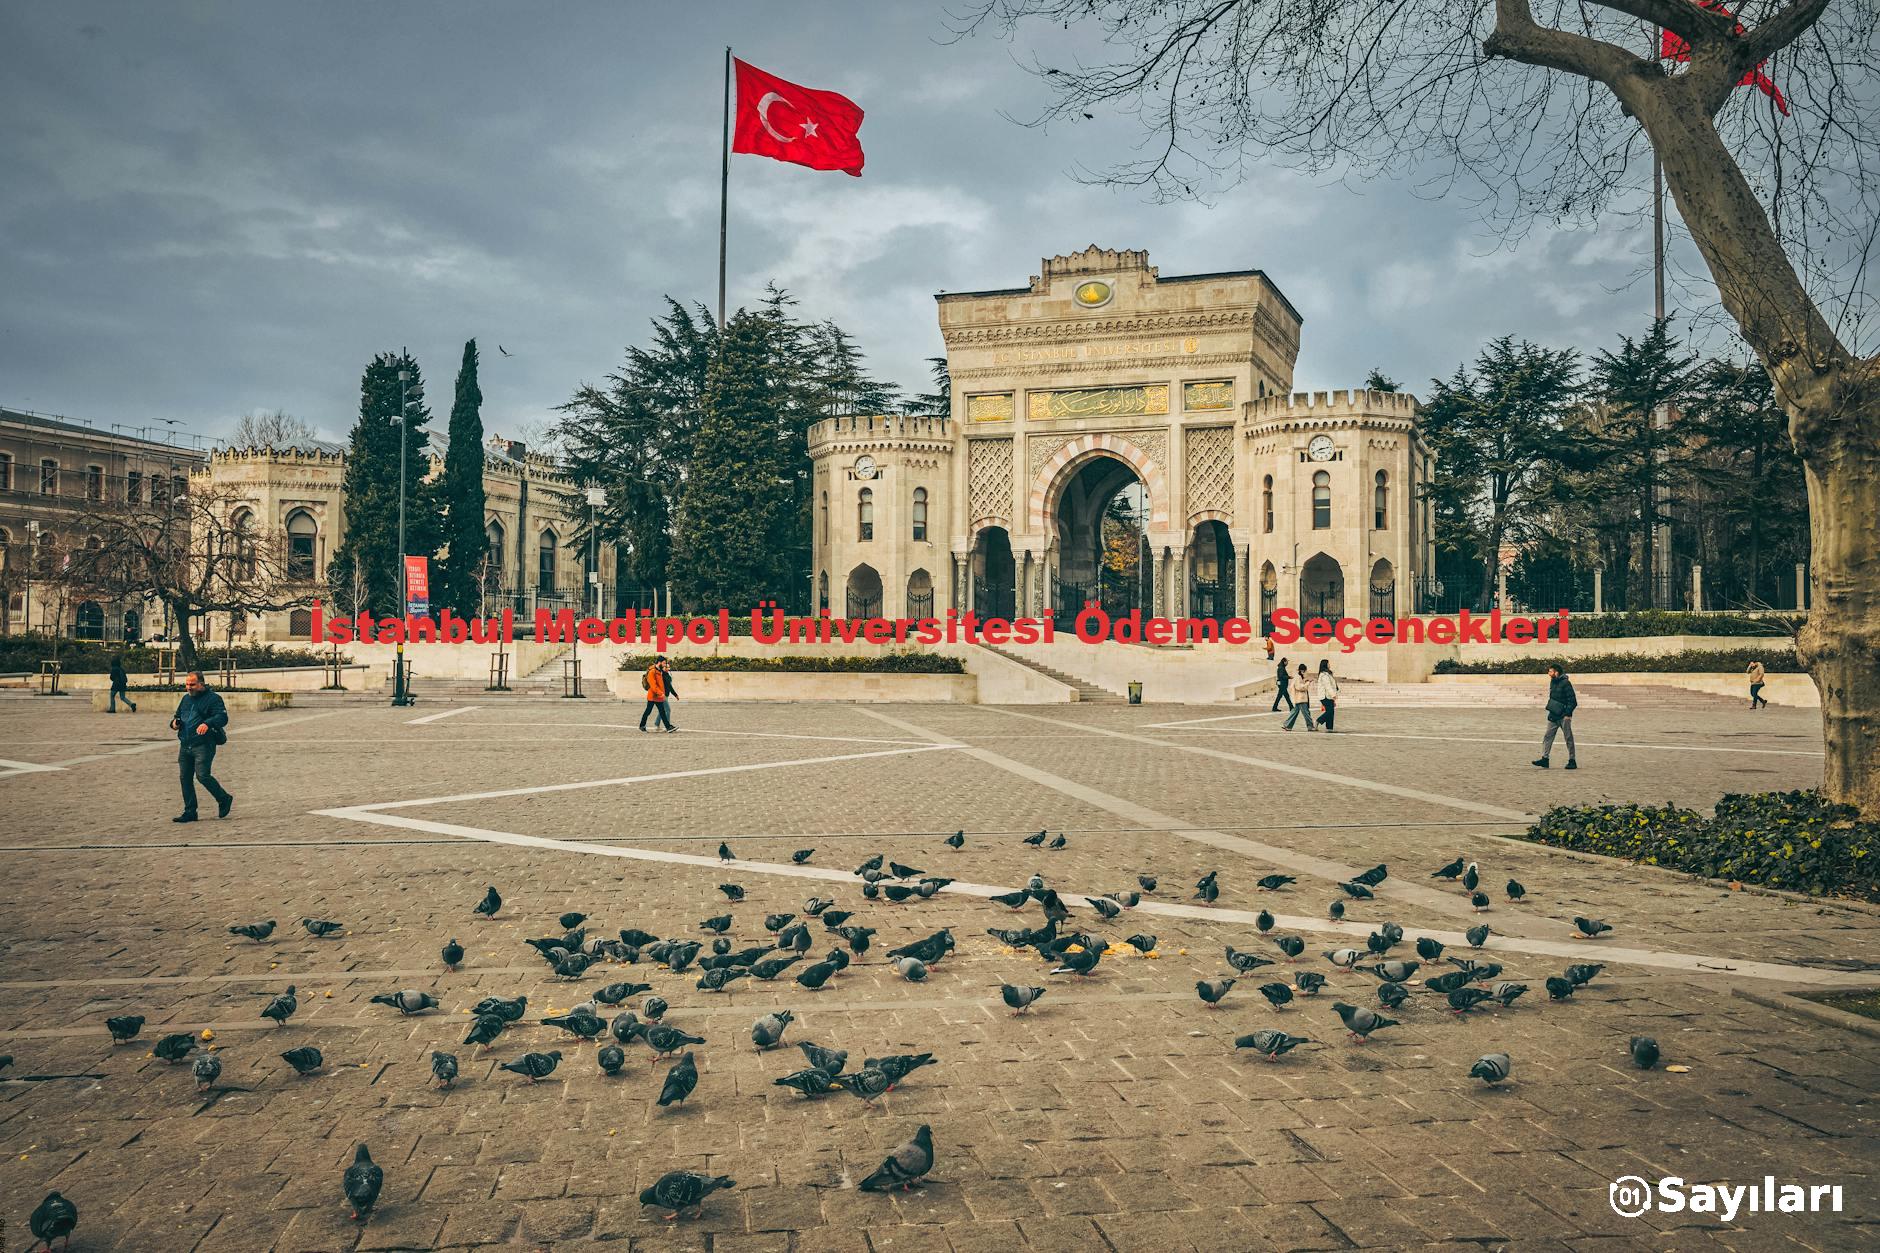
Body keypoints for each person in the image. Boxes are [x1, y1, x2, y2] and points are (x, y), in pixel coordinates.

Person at [171, 670, 232, 821]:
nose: (188, 687)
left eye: (192, 684)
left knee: (202, 775)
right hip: (185, 745)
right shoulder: (186, 699)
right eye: (186, 684)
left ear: (201, 684)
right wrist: (174, 724)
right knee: (185, 778)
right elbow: (177, 716)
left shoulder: (213, 699)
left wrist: (207, 723)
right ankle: (190, 811)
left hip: (204, 744)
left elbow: (222, 717)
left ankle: (223, 798)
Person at [1533, 663, 1578, 770]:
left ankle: (1572, 760)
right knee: (1547, 736)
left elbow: (1573, 701)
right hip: (1553, 715)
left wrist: (1568, 714)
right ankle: (1545, 759)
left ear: (1556, 672)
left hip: (1564, 716)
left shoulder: (1566, 683)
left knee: (1568, 738)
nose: (1549, 673)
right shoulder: (1552, 682)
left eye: (1550, 671)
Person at [639, 657, 677, 732]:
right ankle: (642, 725)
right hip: (653, 696)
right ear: (659, 662)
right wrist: (660, 693)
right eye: (663, 663)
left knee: (662, 712)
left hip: (658, 696)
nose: (664, 665)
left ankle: (668, 727)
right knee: (648, 711)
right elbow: (653, 685)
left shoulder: (659, 671)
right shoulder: (652, 672)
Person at [1281, 664, 1315, 731]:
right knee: (1306, 713)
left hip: (1299, 698)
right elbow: (1300, 687)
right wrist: (1308, 682)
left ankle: (1287, 725)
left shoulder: (1299, 677)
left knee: (1295, 712)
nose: (1306, 673)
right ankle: (1310, 726)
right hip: (1301, 698)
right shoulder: (1298, 677)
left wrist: (1305, 681)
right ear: (1302, 671)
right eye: (1305, 671)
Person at [1313, 659, 1339, 732]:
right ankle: (1318, 721)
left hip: (1328, 696)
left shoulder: (1327, 674)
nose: (1329, 665)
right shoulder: (1324, 675)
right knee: (1330, 711)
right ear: (1325, 665)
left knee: (1331, 711)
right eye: (1328, 663)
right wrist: (1333, 695)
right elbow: (1328, 686)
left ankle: (1329, 728)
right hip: (1325, 696)